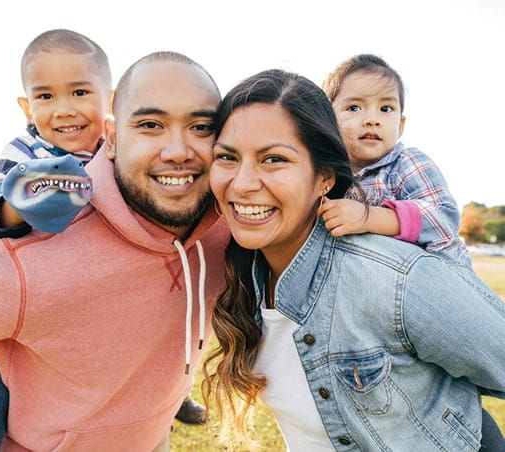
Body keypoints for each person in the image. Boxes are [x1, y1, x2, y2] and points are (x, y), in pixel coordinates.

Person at [0, 51, 229, 451]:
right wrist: (4, 372)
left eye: (201, 126)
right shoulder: (34, 255)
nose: (177, 150)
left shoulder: (227, 228)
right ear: (113, 137)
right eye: (150, 125)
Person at [203, 69, 505, 451]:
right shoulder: (245, 275)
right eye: (227, 157)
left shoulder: (395, 279)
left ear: (325, 178)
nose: (243, 183)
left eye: (274, 159)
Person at [0, 28, 112, 452]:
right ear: (27, 106)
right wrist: (18, 203)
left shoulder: (116, 147)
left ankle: (172, 402)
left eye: (79, 92)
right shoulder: (24, 151)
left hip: (83, 297)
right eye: (45, 97)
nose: (63, 110)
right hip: (9, 302)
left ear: (111, 99)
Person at [320, 54, 470, 267]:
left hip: (444, 279)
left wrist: (368, 217)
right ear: (327, 121)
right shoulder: (327, 177)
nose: (372, 120)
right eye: (354, 108)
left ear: (400, 125)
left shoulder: (406, 163)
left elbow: (443, 218)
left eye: (385, 109)